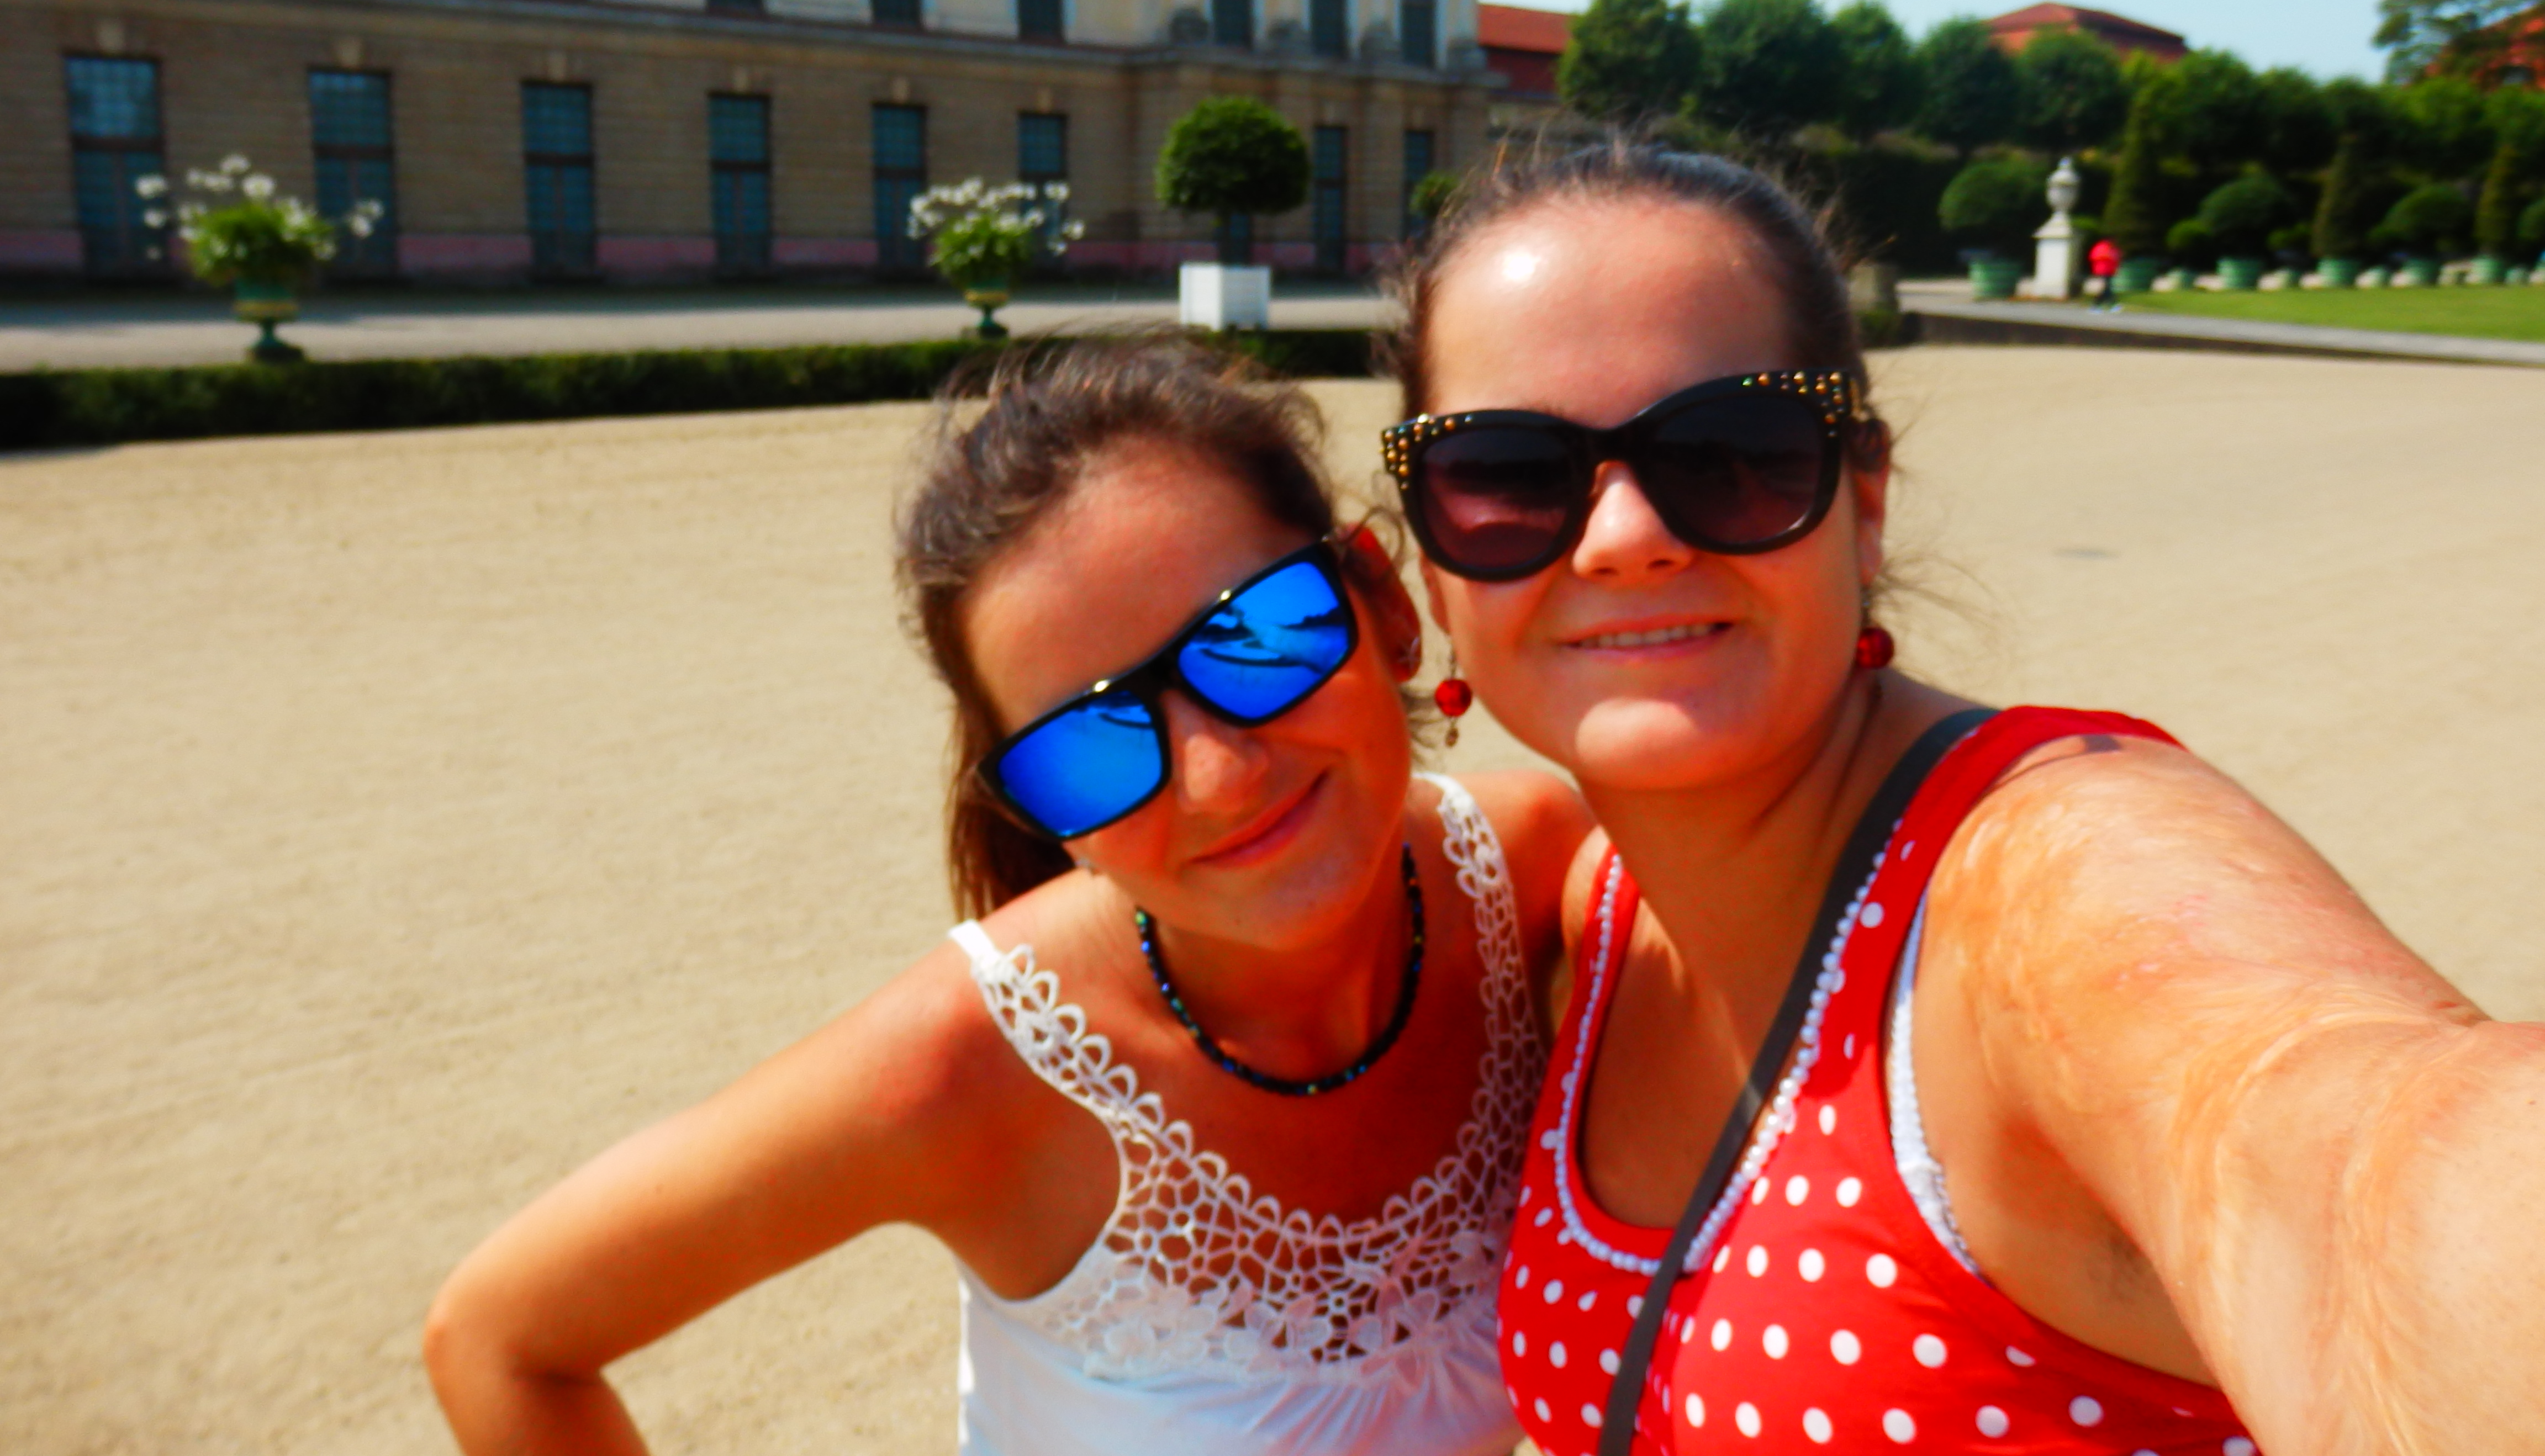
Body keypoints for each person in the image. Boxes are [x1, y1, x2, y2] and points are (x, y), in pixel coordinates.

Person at [1378, 144, 2545, 1456]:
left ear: (1864, 503)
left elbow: (2365, 1151)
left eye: (1732, 451)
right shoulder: (1591, 911)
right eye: (1507, 476)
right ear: (1430, 572)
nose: (1625, 536)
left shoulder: (2051, 874)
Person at [424, 340, 1587, 1456]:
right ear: (1045, 819)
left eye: (1255, 638)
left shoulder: (1540, 875)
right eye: (1091, 747)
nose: (1217, 775)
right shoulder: (963, 1069)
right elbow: (498, 1341)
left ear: (1383, 604)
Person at [2087, 235, 2122, 310]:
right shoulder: (2101, 247)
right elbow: (2094, 257)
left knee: (2106, 288)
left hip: (2109, 271)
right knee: (2106, 288)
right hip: (2102, 270)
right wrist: (2107, 256)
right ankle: (2111, 304)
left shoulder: (2113, 248)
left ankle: (2099, 305)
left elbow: (2117, 258)